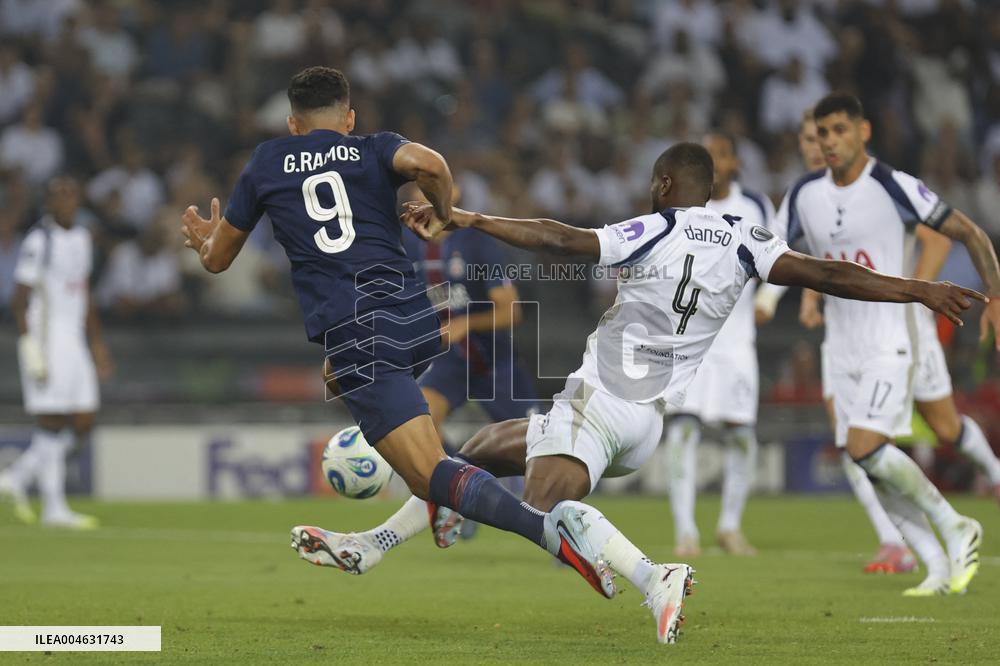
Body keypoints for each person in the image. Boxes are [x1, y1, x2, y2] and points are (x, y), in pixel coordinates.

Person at [296, 141, 982, 644]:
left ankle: (656, 576)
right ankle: (375, 544)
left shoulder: (653, 228)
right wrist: (919, 288)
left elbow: (560, 239)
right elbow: (831, 276)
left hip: (602, 401)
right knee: (479, 450)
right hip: (646, 419)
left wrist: (469, 220)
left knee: (543, 511)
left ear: (661, 184)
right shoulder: (748, 238)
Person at [179, 66, 670, 630]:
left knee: (429, 474)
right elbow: (430, 165)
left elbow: (218, 260)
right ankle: (413, 510)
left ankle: (553, 533)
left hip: (357, 328)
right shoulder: (373, 148)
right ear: (349, 117)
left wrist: (204, 241)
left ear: (293, 124)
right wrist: (442, 210)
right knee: (356, 388)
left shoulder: (267, 161)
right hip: (414, 316)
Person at [772, 93, 1000, 596]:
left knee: (866, 446)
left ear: (863, 132)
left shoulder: (892, 186)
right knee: (867, 462)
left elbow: (968, 231)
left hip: (889, 341)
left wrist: (996, 296)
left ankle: (956, 522)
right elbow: (771, 256)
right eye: (822, 132)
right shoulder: (803, 194)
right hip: (843, 346)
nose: (830, 141)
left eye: (839, 130)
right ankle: (938, 566)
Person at [401, 186, 540, 541]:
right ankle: (460, 495)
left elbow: (511, 311)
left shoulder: (477, 243)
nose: (423, 205)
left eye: (430, 194)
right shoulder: (406, 246)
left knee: (539, 447)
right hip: (450, 362)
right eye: (416, 196)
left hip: (494, 360)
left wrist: (466, 324)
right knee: (419, 423)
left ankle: (565, 521)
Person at [664, 131, 774, 558]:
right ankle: (686, 532)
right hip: (689, 340)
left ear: (733, 163)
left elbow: (780, 253)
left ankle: (729, 526)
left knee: (742, 436)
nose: (714, 161)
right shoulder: (683, 207)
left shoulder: (754, 207)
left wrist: (767, 297)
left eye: (721, 154)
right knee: (683, 431)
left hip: (736, 342)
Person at [0, 177, 111, 528]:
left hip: (75, 338)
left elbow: (84, 293)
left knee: (83, 419)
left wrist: (97, 344)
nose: (66, 202)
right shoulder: (39, 240)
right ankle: (53, 506)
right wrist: (30, 347)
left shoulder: (81, 238)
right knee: (52, 420)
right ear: (47, 203)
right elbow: (19, 299)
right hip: (47, 338)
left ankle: (17, 476)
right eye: (58, 197)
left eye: (70, 195)